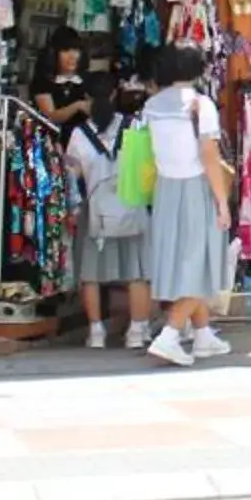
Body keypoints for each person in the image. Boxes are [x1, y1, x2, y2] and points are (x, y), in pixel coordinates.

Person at [138, 47, 233, 365]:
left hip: (166, 189)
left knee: (184, 261)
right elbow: (209, 156)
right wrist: (222, 202)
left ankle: (203, 334)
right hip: (196, 188)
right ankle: (171, 334)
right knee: (200, 263)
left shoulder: (151, 105)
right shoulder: (201, 105)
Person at [66, 75, 153, 350]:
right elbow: (146, 171)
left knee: (90, 274)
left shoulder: (79, 135)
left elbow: (72, 176)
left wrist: (73, 209)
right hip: (132, 206)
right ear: (115, 94)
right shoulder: (134, 126)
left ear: (87, 99)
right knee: (136, 272)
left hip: (95, 212)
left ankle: (96, 332)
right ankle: (137, 331)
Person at [30, 28, 94, 127]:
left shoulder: (87, 79)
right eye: (66, 50)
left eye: (76, 50)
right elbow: (50, 118)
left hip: (84, 139)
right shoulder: (43, 82)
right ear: (54, 53)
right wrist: (77, 106)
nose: (72, 56)